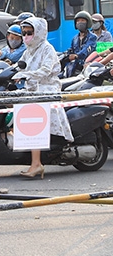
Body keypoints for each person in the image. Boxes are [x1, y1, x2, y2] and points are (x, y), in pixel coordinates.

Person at [13, 17, 68, 179]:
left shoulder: (47, 49)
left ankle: (36, 164)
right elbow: (18, 65)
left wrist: (24, 75)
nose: (26, 36)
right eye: (24, 32)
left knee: (32, 121)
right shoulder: (28, 50)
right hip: (31, 90)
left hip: (46, 90)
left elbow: (45, 71)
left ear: (39, 32)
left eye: (30, 32)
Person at [65, 11, 97, 76]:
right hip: (75, 67)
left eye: (82, 20)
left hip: (87, 67)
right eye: (78, 21)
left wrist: (76, 55)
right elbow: (71, 49)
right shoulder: (75, 38)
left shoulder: (92, 37)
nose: (80, 22)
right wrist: (64, 54)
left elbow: (87, 49)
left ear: (88, 23)